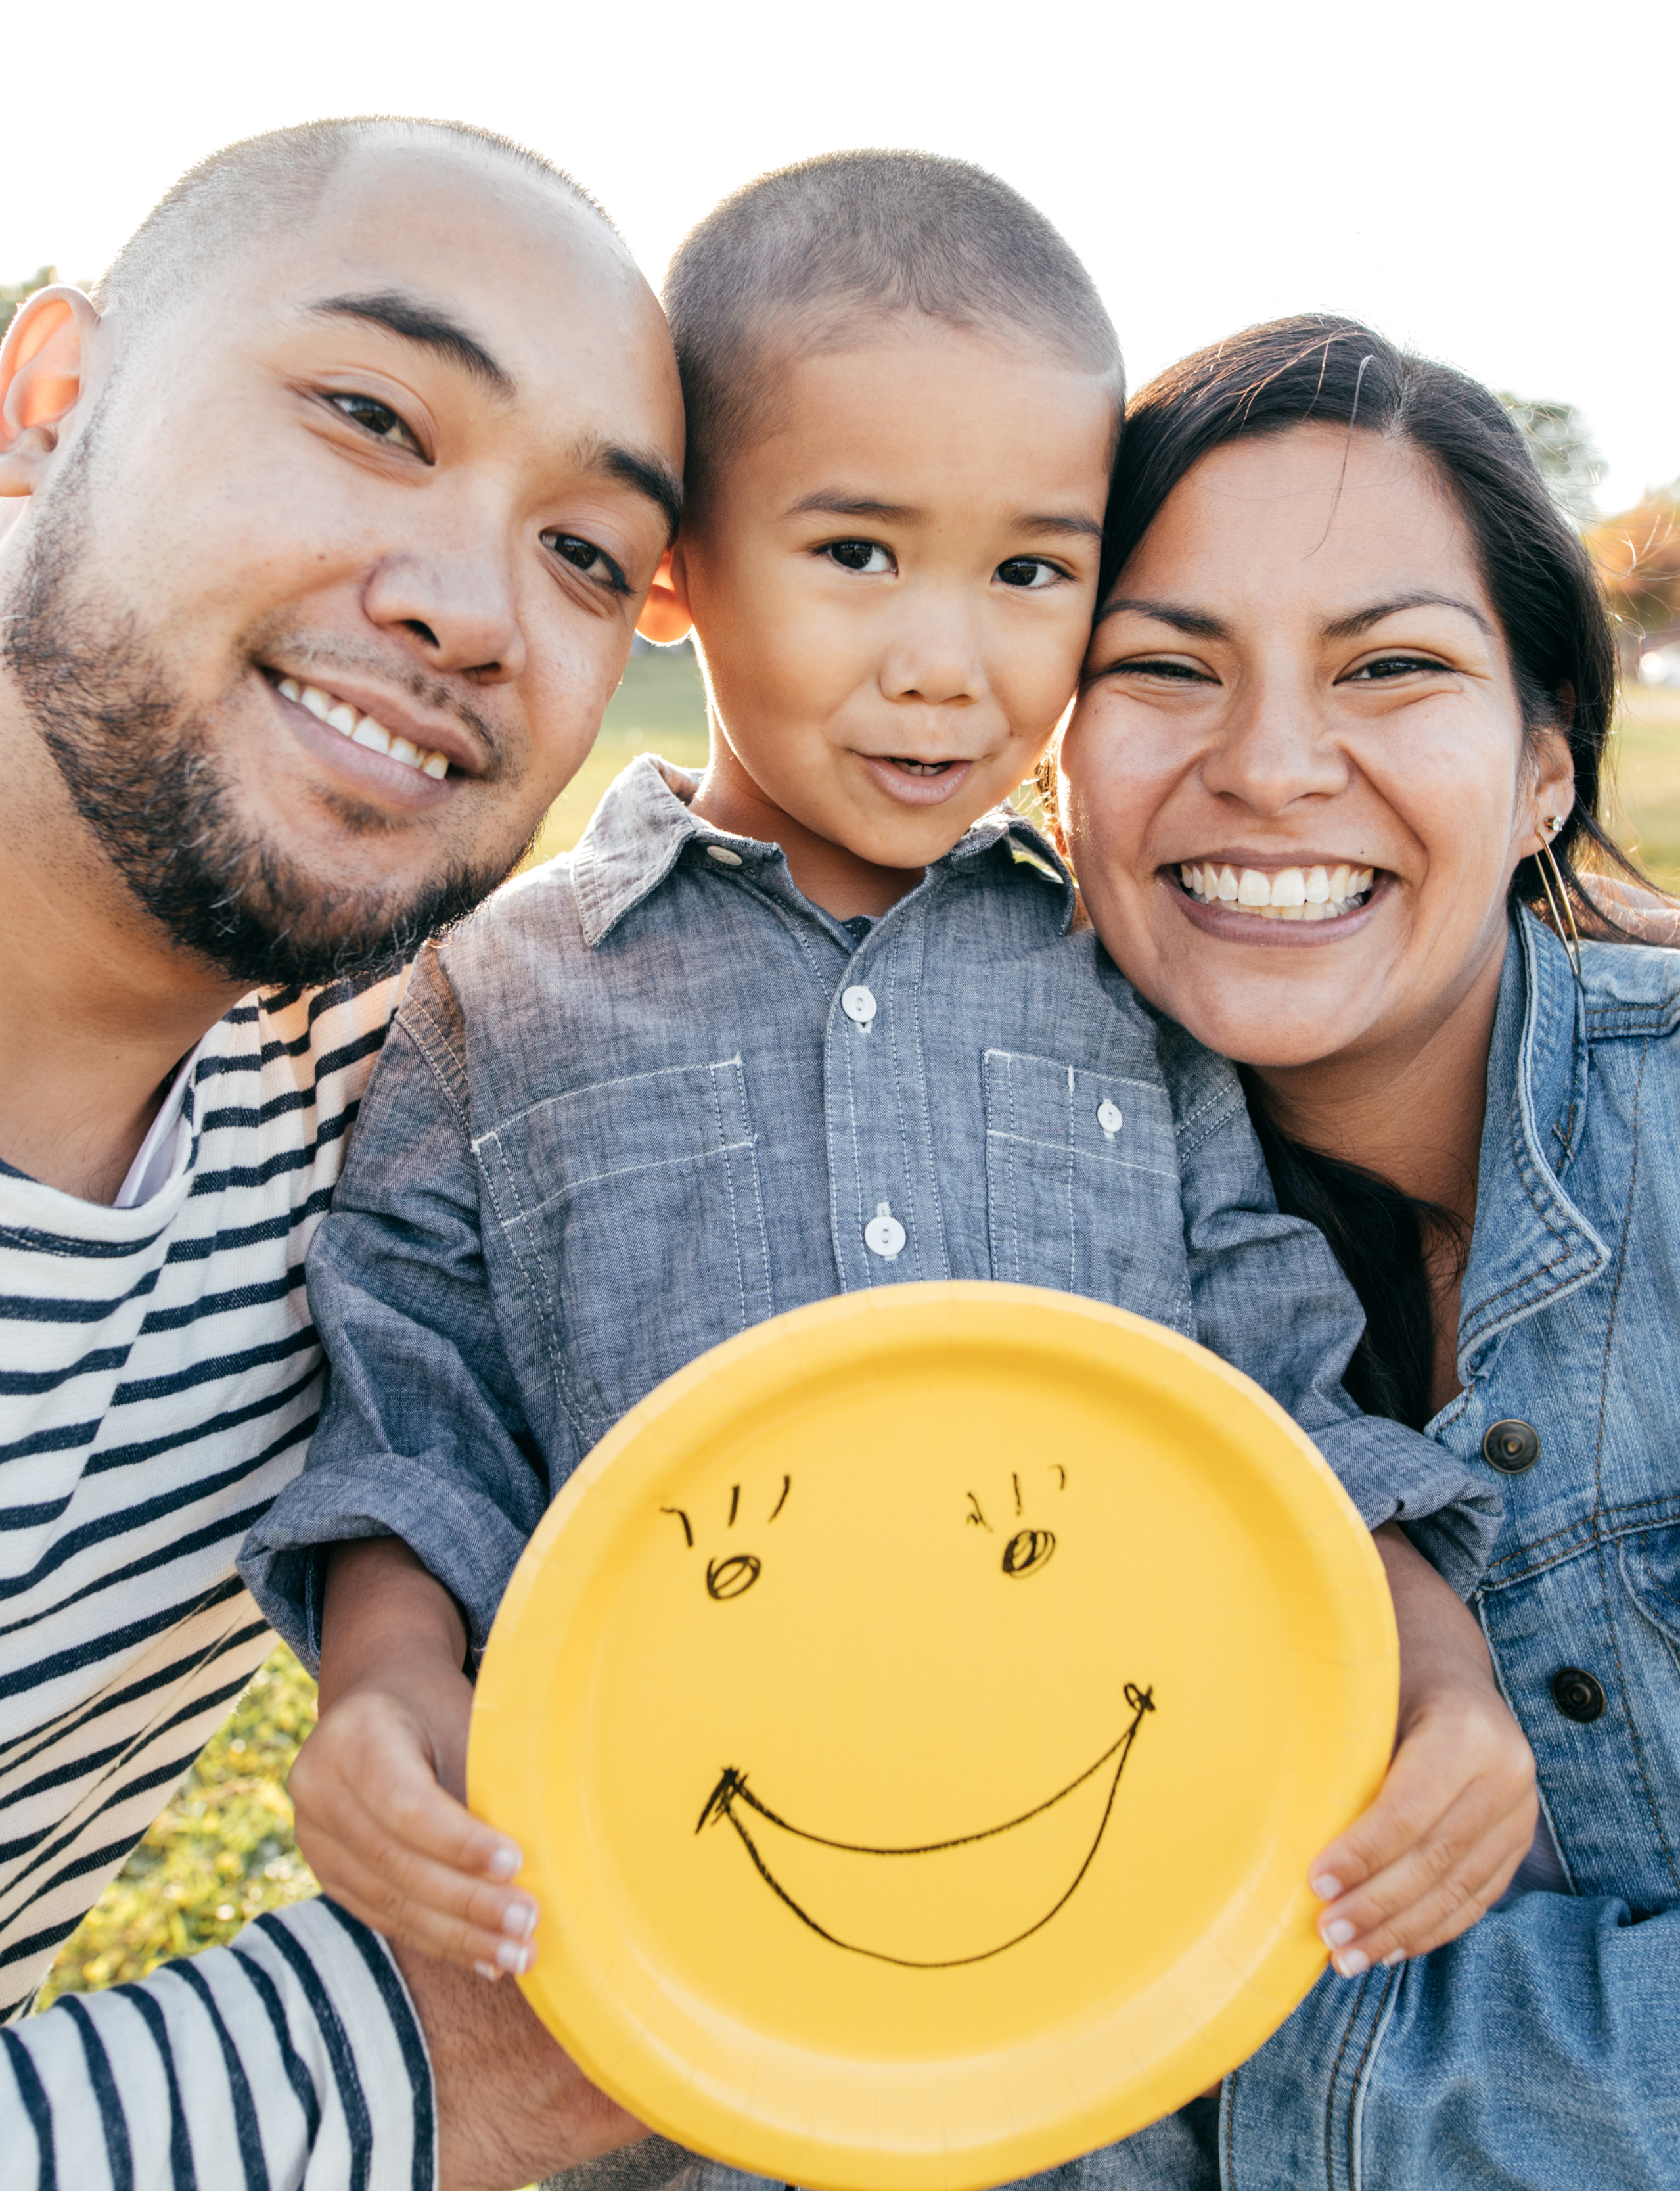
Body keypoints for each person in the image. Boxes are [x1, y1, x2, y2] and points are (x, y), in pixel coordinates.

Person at [242, 158, 1529, 2167]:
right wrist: (385, 1688)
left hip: (1120, 1997)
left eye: (1032, 574)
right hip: (674, 2015)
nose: (951, 662)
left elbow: (1277, 1386)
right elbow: (415, 1399)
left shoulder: (1121, 980)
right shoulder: (502, 995)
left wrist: (1440, 1680)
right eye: (856, 552)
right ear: (676, 569)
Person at [0, 115, 686, 2190]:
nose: (478, 611)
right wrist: (424, 2073)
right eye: (375, 414)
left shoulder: (385, 1084)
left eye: (587, 556)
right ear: (56, 401)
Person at [1059, 312, 1680, 2184]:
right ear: (1046, 758)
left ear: (1542, 774)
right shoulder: (967, 1250)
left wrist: (1176, 2068)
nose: (1268, 765)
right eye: (1164, 666)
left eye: (1391, 667)